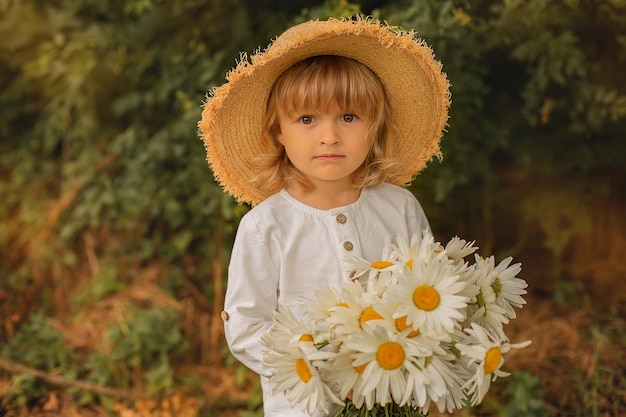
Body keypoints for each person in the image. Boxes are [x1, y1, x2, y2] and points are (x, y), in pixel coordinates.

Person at [198, 16, 450, 417]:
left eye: (349, 117)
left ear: (375, 126)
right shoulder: (266, 226)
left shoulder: (399, 208)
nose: (329, 136)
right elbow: (246, 327)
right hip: (303, 405)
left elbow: (433, 292)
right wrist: (316, 365)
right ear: (277, 131)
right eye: (307, 119)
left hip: (393, 396)